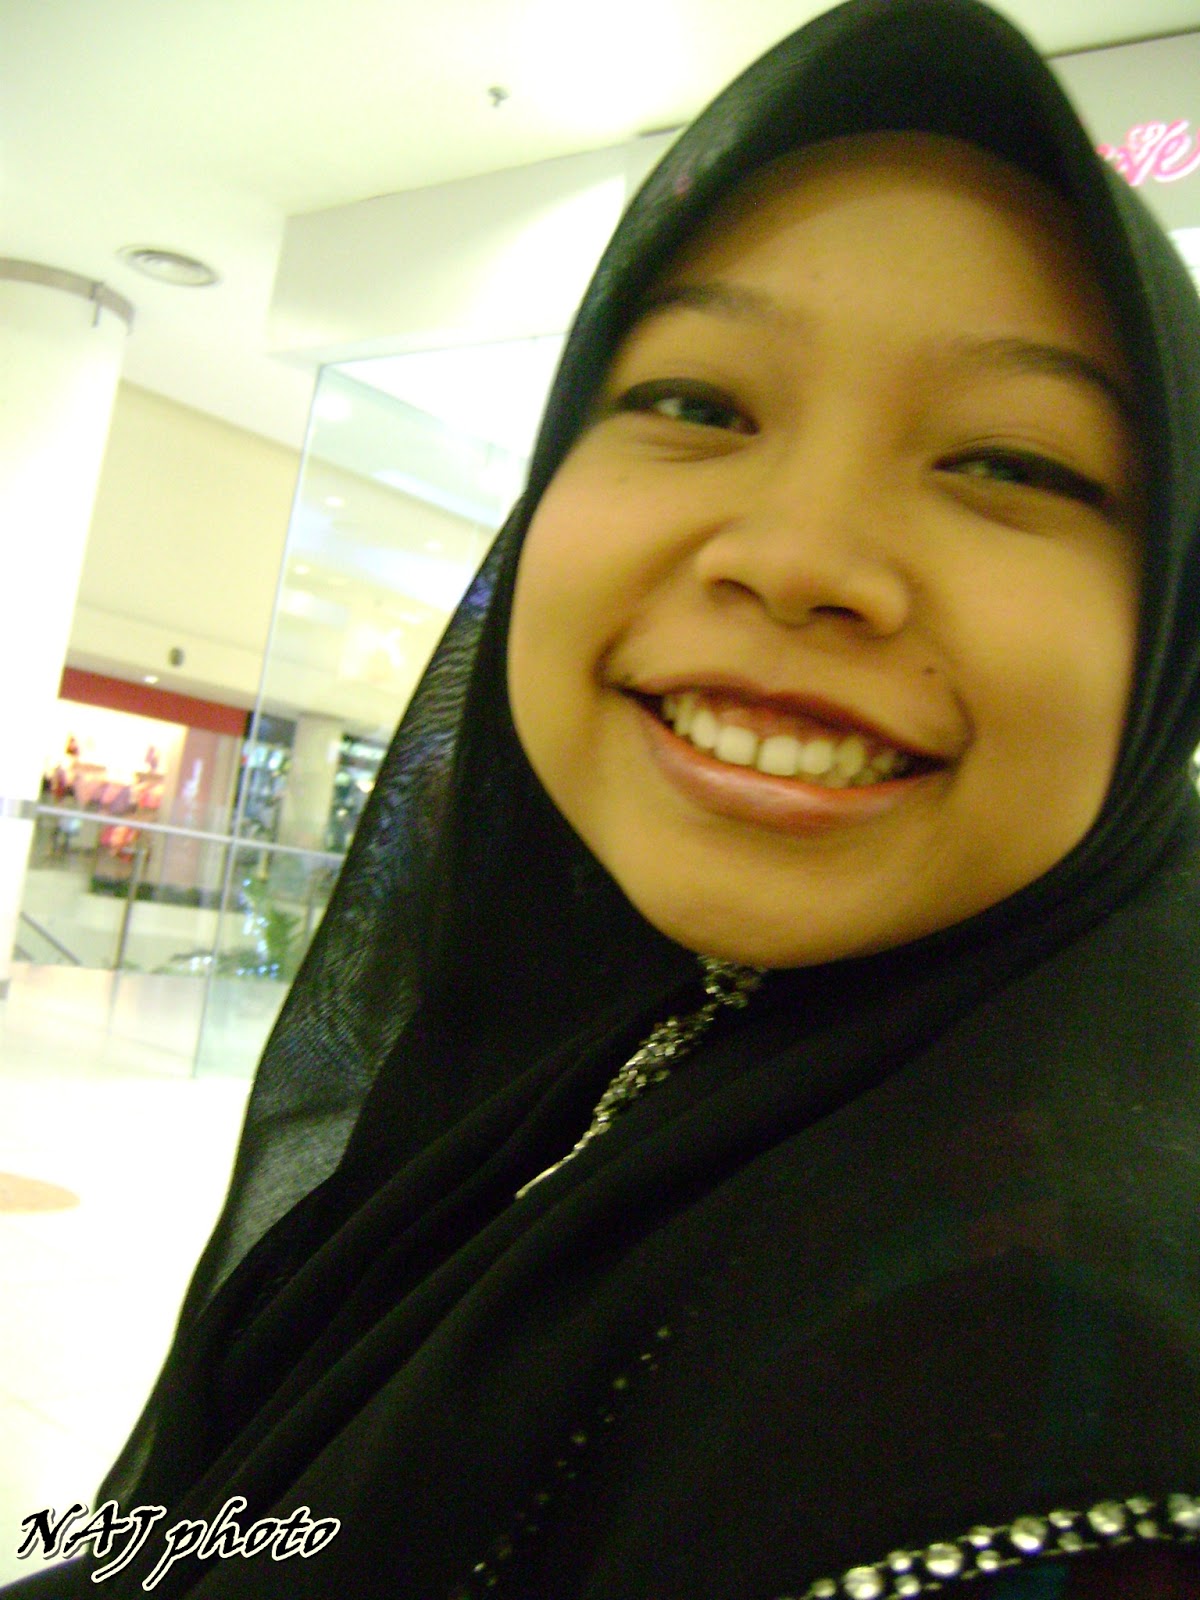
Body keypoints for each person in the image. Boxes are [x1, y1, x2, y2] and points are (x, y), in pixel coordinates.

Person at [8, 0, 1200, 1594]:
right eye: (698, 405)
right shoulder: (615, 1030)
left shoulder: (1045, 1388)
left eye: (1011, 464)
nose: (795, 557)